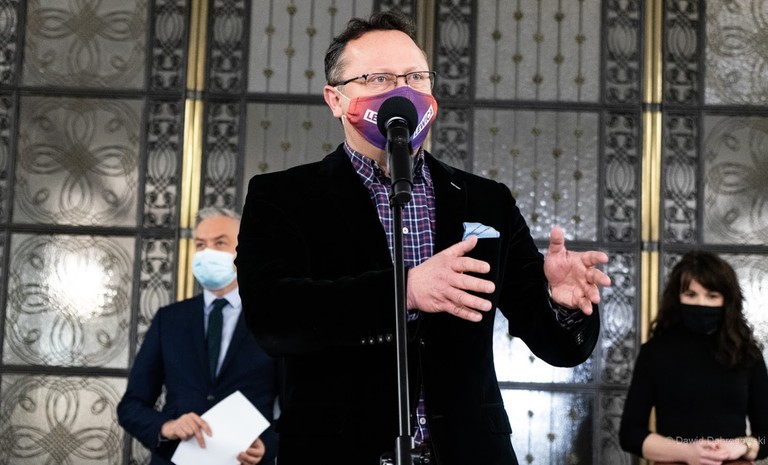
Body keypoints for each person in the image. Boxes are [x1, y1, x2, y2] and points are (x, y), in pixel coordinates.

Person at [235, 11, 611, 465]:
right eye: (379, 78)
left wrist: (562, 304)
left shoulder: (484, 200)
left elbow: (556, 344)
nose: (403, 92)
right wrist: (405, 290)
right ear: (335, 99)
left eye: (416, 77)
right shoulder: (283, 196)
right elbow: (272, 318)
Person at [118, 207, 279, 465]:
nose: (207, 253)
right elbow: (131, 406)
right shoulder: (169, 320)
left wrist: (268, 445)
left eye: (220, 243)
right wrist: (167, 427)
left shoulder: (273, 321)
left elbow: (302, 407)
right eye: (201, 245)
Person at [619, 251, 768, 464]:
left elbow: (765, 436)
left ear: (727, 300)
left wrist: (740, 446)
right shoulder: (655, 352)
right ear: (677, 298)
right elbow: (630, 434)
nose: (701, 303)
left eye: (712, 296)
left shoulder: (747, 354)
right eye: (691, 294)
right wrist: (687, 452)